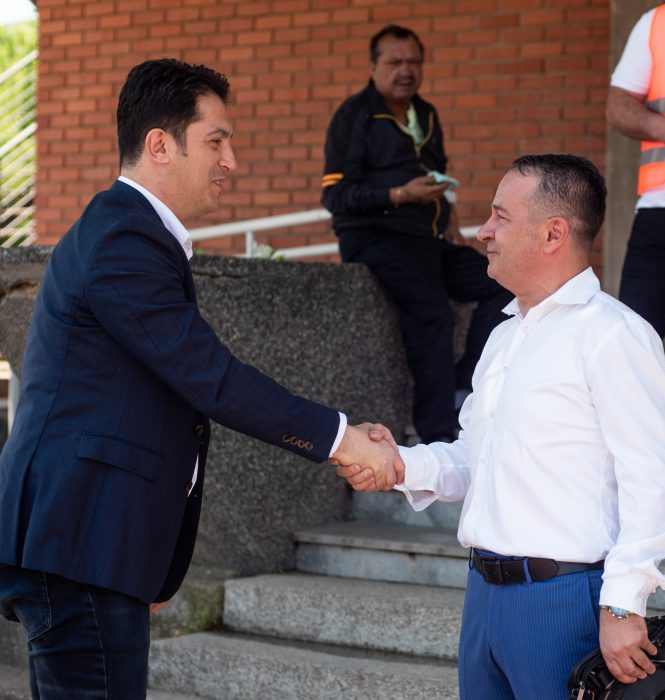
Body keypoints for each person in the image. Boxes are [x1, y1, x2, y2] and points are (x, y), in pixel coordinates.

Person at [0, 58, 399, 700]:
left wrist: (147, 557)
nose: (230, 160)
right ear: (160, 144)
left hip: (92, 545)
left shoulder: (127, 231)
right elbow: (209, 378)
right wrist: (342, 439)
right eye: (216, 141)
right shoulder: (123, 237)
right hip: (80, 542)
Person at [339, 154, 665, 699]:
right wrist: (399, 463)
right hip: (484, 597)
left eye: (500, 216)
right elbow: (474, 455)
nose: (483, 231)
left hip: (563, 602)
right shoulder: (503, 336)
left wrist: (624, 604)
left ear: (553, 233)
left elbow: (652, 481)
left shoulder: (615, 335)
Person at [321, 24, 511, 444]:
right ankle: (437, 436)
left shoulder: (425, 113)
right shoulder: (354, 116)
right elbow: (335, 196)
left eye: (414, 62)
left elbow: (438, 177)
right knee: (433, 314)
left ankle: (463, 381)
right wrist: (400, 194)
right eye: (394, 62)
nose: (405, 71)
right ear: (373, 67)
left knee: (504, 280)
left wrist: (452, 224)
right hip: (375, 238)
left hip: (428, 240)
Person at [607, 0, 665, 337]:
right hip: (662, 213)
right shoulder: (657, 22)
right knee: (629, 338)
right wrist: (661, 127)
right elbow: (618, 105)